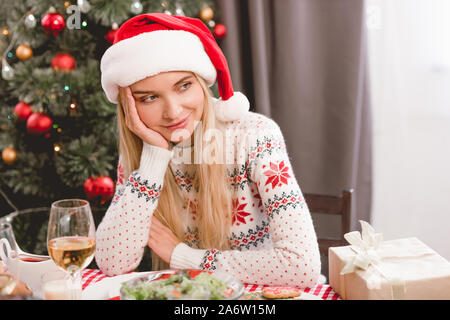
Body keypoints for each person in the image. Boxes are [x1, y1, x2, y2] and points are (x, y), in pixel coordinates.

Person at [96, 12, 321, 288]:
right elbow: (112, 262)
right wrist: (154, 159)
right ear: (130, 108)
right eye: (150, 98)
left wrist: (184, 257)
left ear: (202, 83)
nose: (173, 112)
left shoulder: (255, 136)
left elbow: (302, 265)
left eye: (184, 86)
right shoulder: (145, 153)